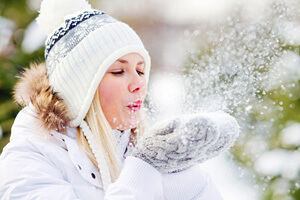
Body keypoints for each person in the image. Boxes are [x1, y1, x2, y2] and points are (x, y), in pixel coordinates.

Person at [0, 0, 240, 199]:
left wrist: (179, 171)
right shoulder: (28, 161)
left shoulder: (135, 146)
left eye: (140, 70)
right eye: (118, 71)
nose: (138, 84)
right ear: (80, 87)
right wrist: (143, 168)